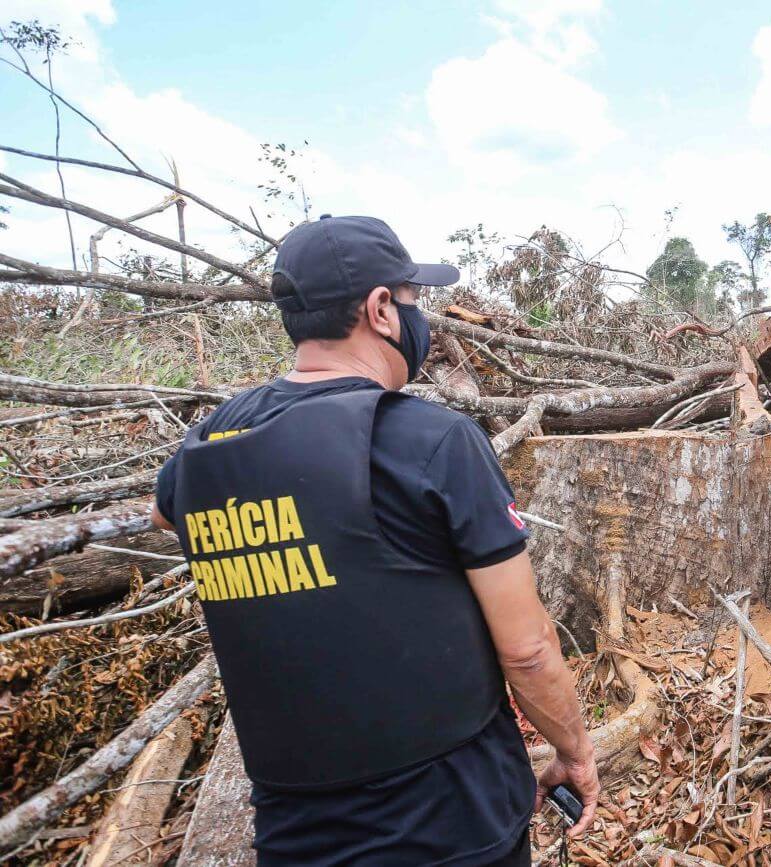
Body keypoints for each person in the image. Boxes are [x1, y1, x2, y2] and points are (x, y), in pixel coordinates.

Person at [151, 215, 599, 866]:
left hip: (299, 836)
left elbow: (165, 512)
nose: (424, 323)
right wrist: (575, 752)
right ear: (382, 310)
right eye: (416, 302)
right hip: (455, 825)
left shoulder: (215, 438)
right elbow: (527, 649)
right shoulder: (434, 441)